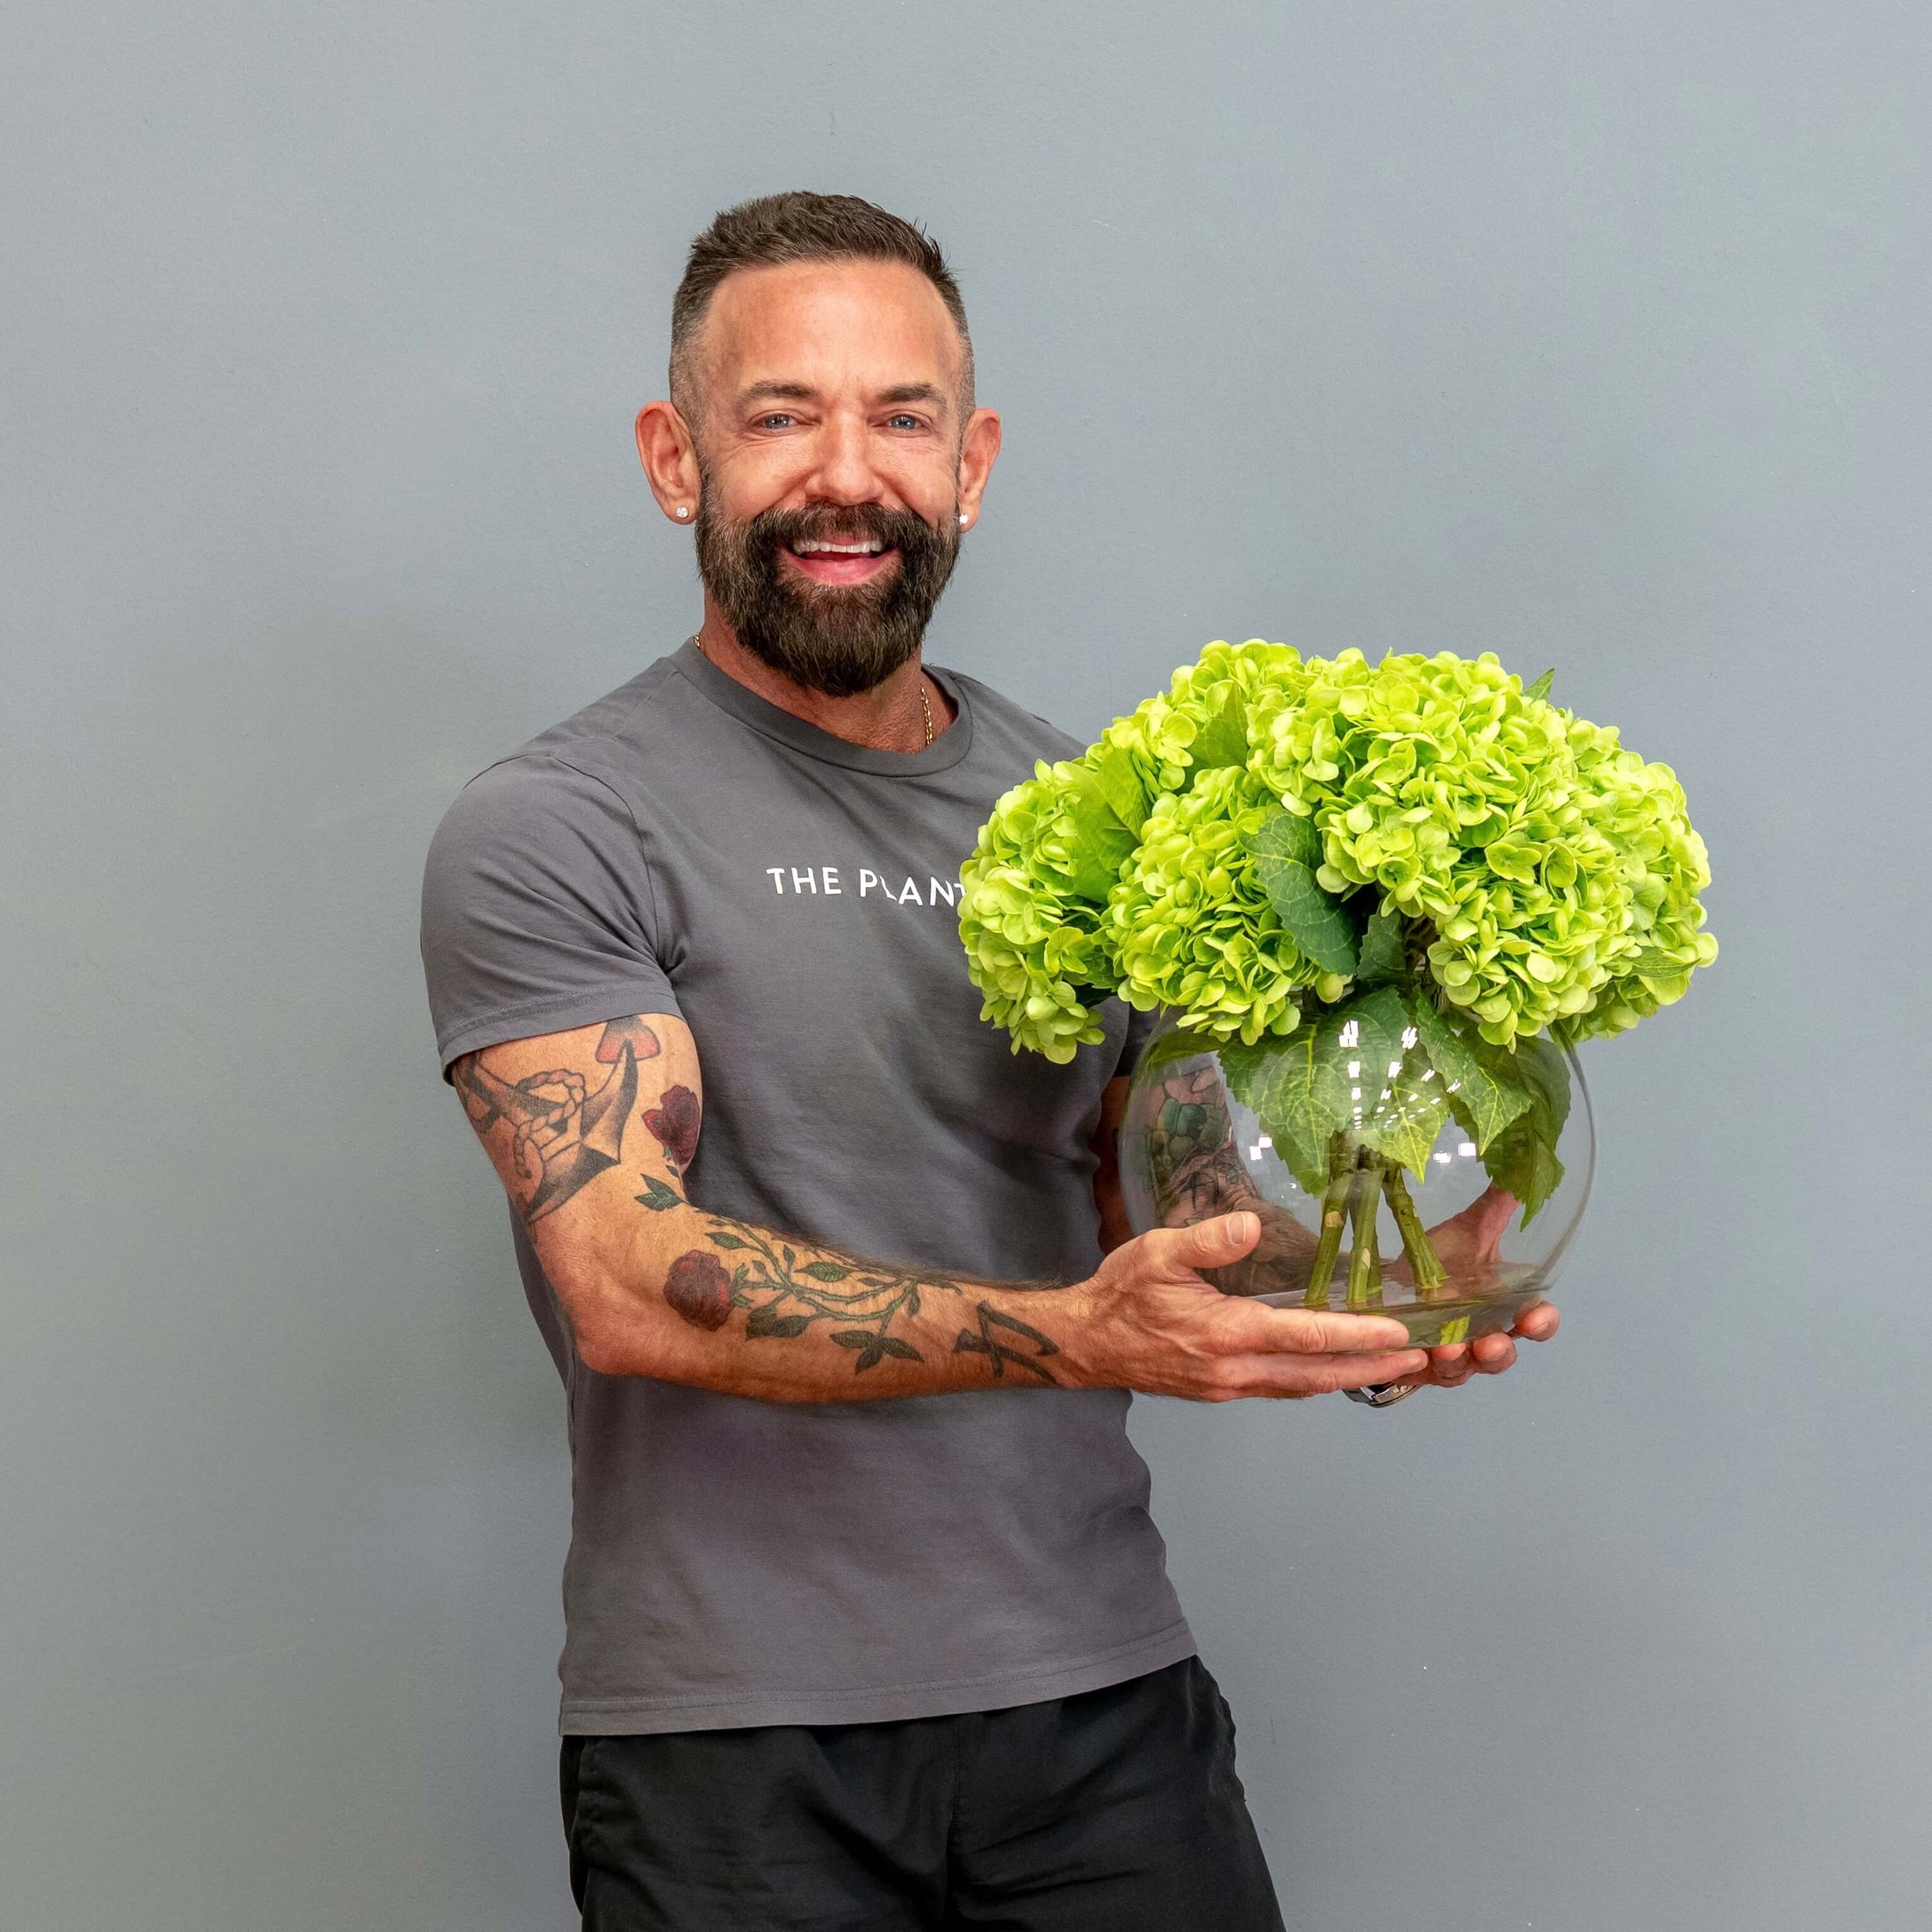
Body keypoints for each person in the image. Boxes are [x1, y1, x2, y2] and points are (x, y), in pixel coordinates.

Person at [420, 191, 1558, 1932]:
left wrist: (1375, 1288)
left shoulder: (1092, 814)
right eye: (779, 415)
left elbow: (1137, 1205)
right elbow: (624, 1275)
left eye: (901, 417)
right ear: (675, 457)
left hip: (1101, 1708)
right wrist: (1077, 1335)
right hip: (735, 1747)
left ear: (971, 463)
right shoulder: (562, 821)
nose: (845, 473)